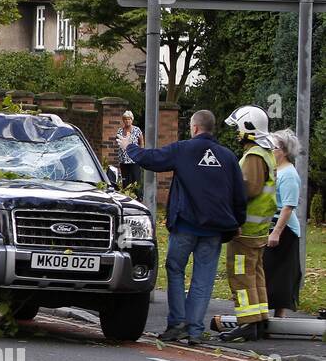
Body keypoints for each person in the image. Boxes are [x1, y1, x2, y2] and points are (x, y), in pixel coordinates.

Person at [118, 110, 246, 344]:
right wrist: (238, 222)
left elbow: (152, 159)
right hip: (215, 229)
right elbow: (239, 194)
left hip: (186, 225)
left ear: (195, 128)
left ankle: (177, 324)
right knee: (203, 279)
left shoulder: (183, 149)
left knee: (175, 269)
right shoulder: (228, 157)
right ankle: (195, 330)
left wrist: (129, 147)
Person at [218, 106, 276, 341]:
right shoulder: (266, 152)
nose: (236, 133)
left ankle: (246, 323)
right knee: (256, 273)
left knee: (241, 275)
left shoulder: (253, 155)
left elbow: (249, 188)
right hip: (259, 228)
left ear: (247, 127)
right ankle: (260, 318)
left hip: (246, 230)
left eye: (238, 128)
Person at [261, 129, 303, 318]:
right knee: (267, 272)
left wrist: (276, 233)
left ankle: (279, 318)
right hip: (270, 225)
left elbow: (288, 207)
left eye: (274, 147)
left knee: (281, 275)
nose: (270, 150)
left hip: (285, 230)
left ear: (284, 151)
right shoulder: (275, 170)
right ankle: (264, 316)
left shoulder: (289, 174)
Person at [116, 110, 144, 190]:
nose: (127, 121)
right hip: (123, 160)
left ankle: (137, 197)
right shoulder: (120, 131)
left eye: (129, 119)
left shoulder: (137, 130)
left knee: (135, 179)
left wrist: (141, 154)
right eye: (125, 119)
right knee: (125, 180)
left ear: (132, 120)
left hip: (134, 159)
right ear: (123, 120)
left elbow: (141, 142)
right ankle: (126, 194)